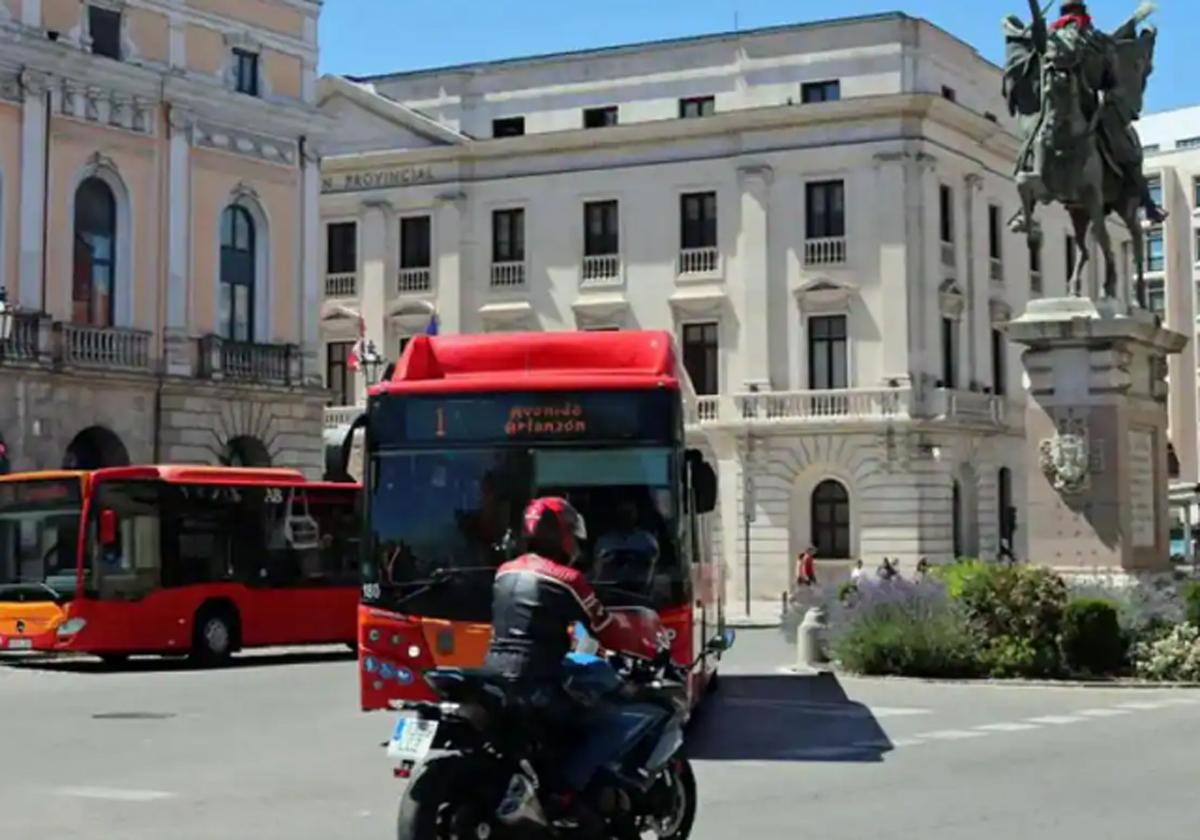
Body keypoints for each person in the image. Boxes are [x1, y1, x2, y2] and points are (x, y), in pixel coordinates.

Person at [483, 497, 627, 820]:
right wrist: (644, 645)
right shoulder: (567, 579)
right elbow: (606, 629)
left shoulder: (504, 572)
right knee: (611, 723)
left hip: (493, 673)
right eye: (573, 536)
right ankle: (564, 792)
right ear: (562, 534)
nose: (576, 544)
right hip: (537, 678)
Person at [593, 499, 659, 587]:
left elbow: (655, 565)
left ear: (636, 515)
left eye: (629, 513)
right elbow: (598, 568)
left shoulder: (647, 540)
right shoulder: (605, 541)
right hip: (610, 591)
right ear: (617, 515)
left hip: (641, 591)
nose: (626, 517)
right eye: (623, 513)